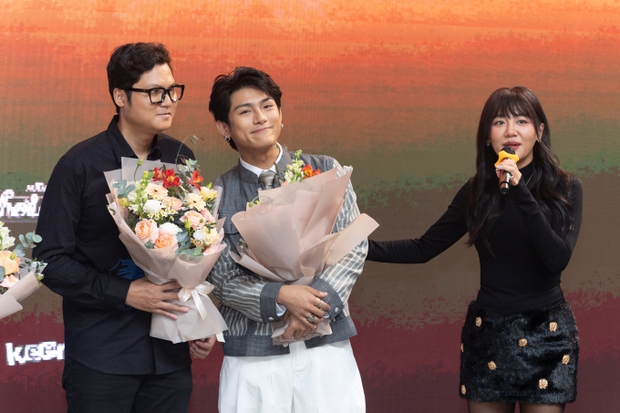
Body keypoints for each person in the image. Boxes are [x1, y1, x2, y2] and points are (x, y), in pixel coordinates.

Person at [367, 87, 582, 413]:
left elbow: (556, 259)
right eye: (500, 122)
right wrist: (355, 248)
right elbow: (423, 248)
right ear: (487, 136)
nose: (510, 131)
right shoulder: (476, 192)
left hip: (546, 336)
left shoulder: (565, 188)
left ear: (539, 131)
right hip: (489, 335)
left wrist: (520, 191)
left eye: (521, 121)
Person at [34, 42, 215, 413]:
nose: (168, 102)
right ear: (120, 96)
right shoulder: (80, 165)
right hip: (104, 356)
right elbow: (49, 260)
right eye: (154, 92)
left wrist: (200, 320)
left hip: (170, 353)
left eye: (172, 91)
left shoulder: (181, 157)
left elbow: (194, 246)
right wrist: (125, 292)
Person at [207, 66, 367, 413]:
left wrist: (312, 308)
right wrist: (280, 297)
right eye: (245, 111)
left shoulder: (326, 170)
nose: (260, 118)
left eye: (267, 106)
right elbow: (222, 280)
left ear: (280, 113)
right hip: (254, 355)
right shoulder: (216, 195)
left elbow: (353, 247)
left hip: (326, 345)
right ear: (224, 128)